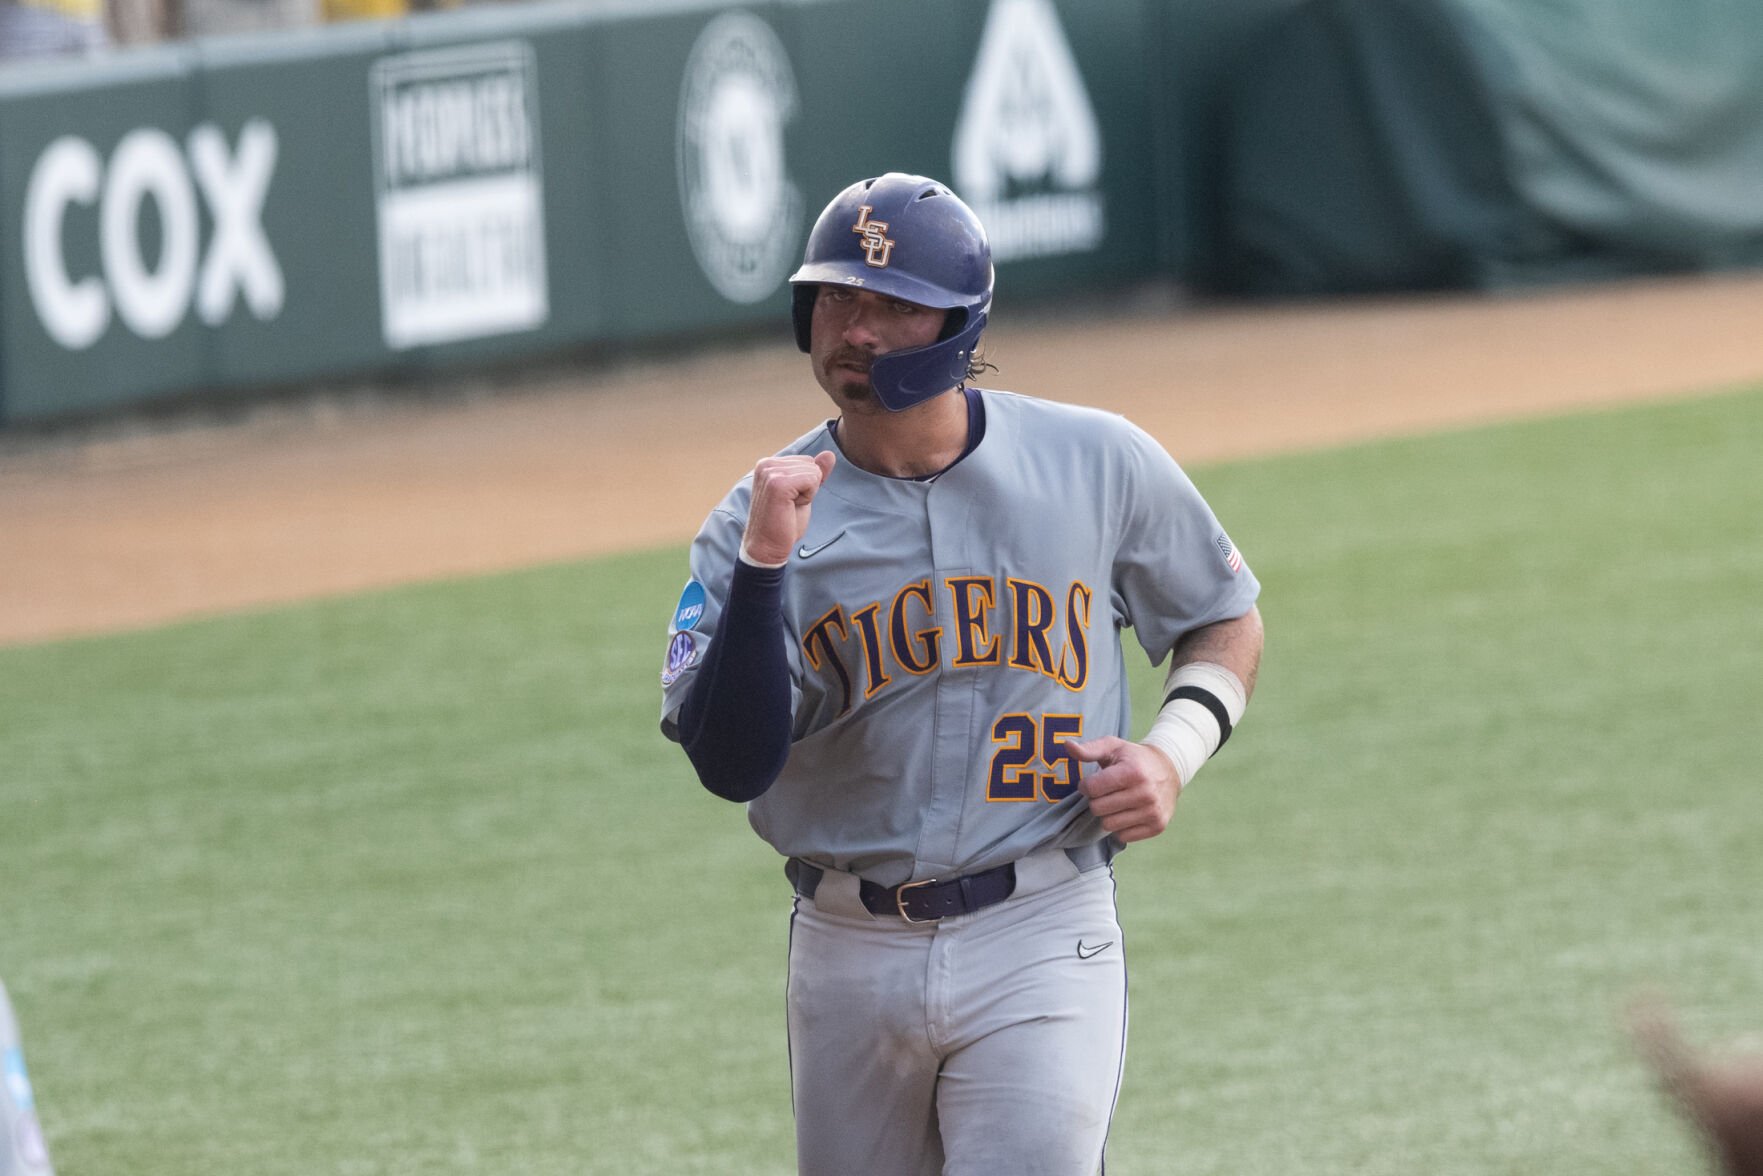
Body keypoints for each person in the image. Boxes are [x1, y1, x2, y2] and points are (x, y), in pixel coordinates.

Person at [659, 172, 1264, 1175]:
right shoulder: (755, 519)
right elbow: (728, 763)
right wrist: (765, 567)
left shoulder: (1095, 462)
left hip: (1042, 923)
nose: (853, 329)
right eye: (836, 299)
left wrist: (1172, 753)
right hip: (847, 948)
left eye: (891, 306)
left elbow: (1223, 618)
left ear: (956, 323)